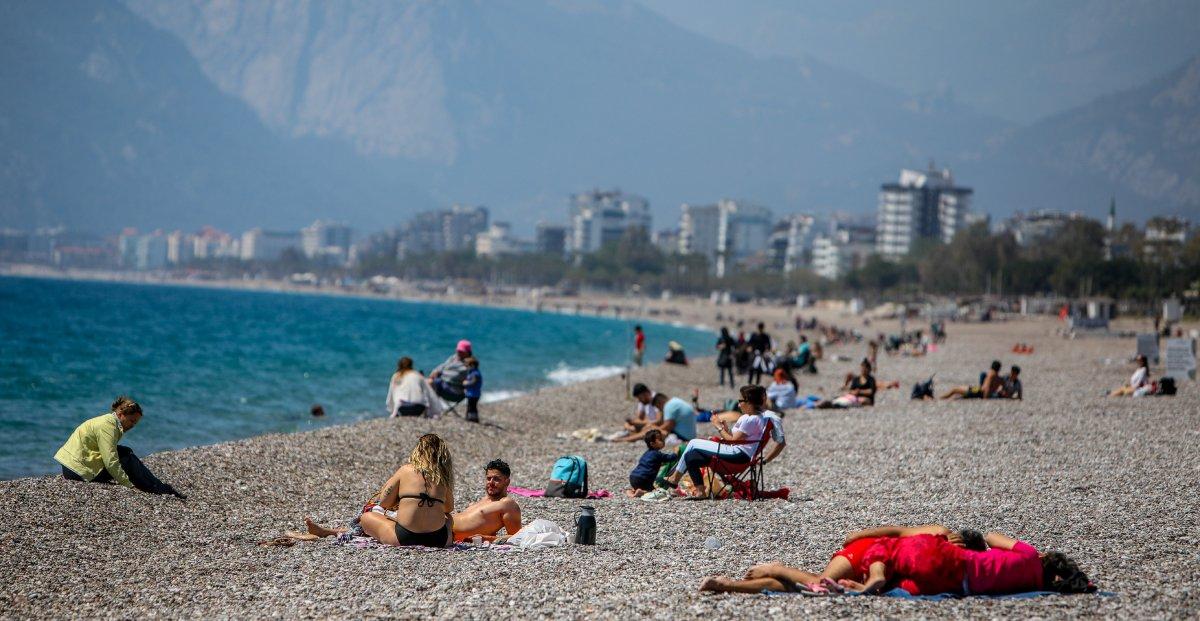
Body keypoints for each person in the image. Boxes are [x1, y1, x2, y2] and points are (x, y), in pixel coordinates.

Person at [699, 524, 983, 594]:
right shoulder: (940, 534)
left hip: (877, 562)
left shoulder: (944, 554)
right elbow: (896, 531)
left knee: (803, 590)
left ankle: (726, 585)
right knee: (820, 581)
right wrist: (859, 534)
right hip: (872, 550)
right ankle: (774, 567)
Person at [308, 434, 455, 548]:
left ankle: (332, 531)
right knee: (449, 518)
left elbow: (383, 502)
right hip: (440, 540)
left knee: (367, 517)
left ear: (418, 451)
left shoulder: (405, 470)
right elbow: (449, 509)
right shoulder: (441, 476)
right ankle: (329, 531)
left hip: (404, 538)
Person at [644, 385, 768, 500]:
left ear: (750, 402)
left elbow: (733, 441)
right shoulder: (749, 417)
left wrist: (717, 426)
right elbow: (735, 437)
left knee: (693, 442)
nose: (738, 405)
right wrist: (725, 429)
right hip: (736, 451)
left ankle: (675, 478)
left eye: (741, 401)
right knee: (690, 456)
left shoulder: (752, 419)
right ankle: (700, 492)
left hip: (739, 455)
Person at [55, 396, 185, 498]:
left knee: (126, 452)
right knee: (128, 459)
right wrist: (127, 485)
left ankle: (156, 485)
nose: (133, 425)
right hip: (78, 472)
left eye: (135, 423)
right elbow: (110, 461)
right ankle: (155, 487)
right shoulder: (109, 427)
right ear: (121, 414)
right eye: (132, 421)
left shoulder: (107, 421)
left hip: (70, 468)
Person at [450, 459, 521, 542]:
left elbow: (517, 537)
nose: (491, 482)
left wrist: (486, 538)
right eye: (488, 478)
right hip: (440, 524)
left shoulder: (507, 504)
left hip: (444, 533)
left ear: (507, 482)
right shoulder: (480, 502)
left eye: (496, 479)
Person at [617, 392, 697, 443]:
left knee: (651, 429)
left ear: (659, 403)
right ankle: (631, 436)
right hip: (690, 435)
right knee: (652, 428)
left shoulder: (668, 406)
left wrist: (652, 427)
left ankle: (625, 439)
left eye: (658, 408)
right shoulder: (675, 401)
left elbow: (668, 427)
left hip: (684, 437)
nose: (660, 410)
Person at [626, 430, 675, 497]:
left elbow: (649, 463)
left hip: (633, 477)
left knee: (641, 487)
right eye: (660, 439)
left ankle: (631, 492)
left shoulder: (646, 453)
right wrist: (676, 452)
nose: (663, 441)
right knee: (653, 492)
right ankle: (642, 492)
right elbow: (670, 458)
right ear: (652, 444)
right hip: (644, 479)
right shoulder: (658, 454)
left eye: (662, 438)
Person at [462, 357, 482, 423]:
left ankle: (472, 418)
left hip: (474, 394)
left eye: (467, 366)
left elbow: (473, 382)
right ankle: (470, 417)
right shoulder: (472, 372)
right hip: (472, 393)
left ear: (472, 365)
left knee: (472, 406)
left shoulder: (475, 373)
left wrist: (466, 383)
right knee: (471, 406)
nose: (467, 367)